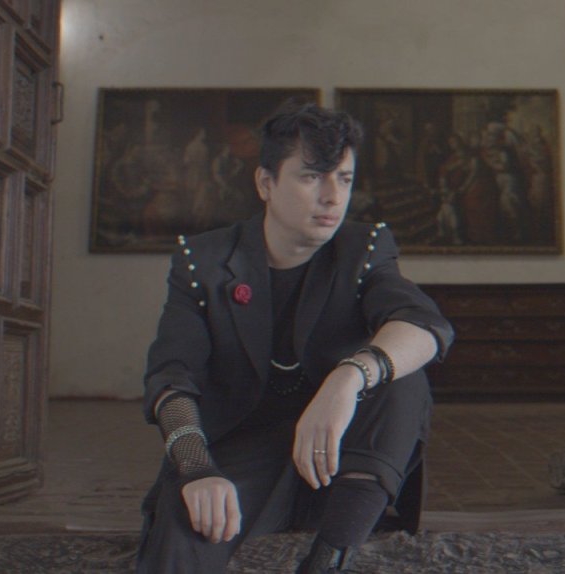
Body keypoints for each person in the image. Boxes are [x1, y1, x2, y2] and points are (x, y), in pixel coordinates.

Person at [136, 102, 454, 573]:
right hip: (241, 453)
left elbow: (424, 325)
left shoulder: (362, 248)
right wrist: (197, 468)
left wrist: (347, 379)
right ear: (266, 183)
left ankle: (328, 560)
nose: (332, 197)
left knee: (399, 373)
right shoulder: (203, 262)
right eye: (311, 177)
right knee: (184, 534)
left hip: (344, 462)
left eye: (344, 178)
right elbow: (171, 377)